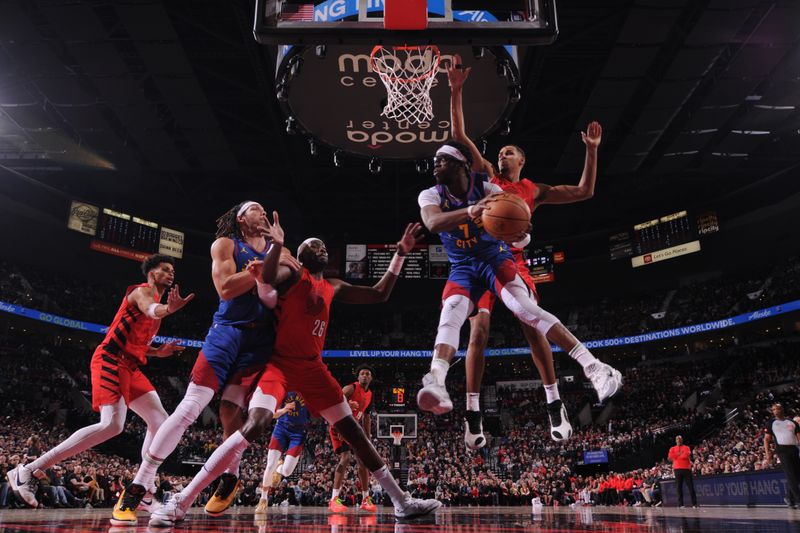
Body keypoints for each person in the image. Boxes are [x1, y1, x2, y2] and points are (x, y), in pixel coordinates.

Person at [146, 214, 440, 527]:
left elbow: (380, 293)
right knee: (256, 423)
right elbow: (270, 275)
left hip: (313, 369)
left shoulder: (333, 285)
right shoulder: (291, 271)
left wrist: (400, 254)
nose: (322, 248)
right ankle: (183, 499)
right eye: (315, 246)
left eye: (324, 246)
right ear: (301, 256)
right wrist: (277, 246)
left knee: (353, 431)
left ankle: (402, 501)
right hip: (280, 364)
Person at [446, 55, 621, 447]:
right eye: (502, 152)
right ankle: (472, 414)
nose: (503, 155)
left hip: (513, 260)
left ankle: (553, 402)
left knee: (532, 324)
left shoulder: (532, 191)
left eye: (510, 152)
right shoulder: (487, 174)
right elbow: (460, 136)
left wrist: (591, 150)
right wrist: (456, 91)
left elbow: (584, 191)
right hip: (480, 259)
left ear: (522, 161)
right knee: (479, 332)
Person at [415, 141, 622, 449]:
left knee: (526, 312)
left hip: (496, 259)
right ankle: (437, 381)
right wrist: (471, 211)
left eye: (441, 160)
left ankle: (594, 368)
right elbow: (432, 222)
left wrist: (520, 233)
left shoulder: (491, 188)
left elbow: (517, 226)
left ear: (459, 164)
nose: (434, 165)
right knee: (454, 312)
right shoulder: (432, 194)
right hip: (463, 267)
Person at [112, 201, 299, 525]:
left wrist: (272, 260)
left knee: (231, 411)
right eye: (257, 209)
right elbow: (226, 289)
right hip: (226, 332)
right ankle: (140, 483)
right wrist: (259, 269)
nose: (264, 213)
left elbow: (294, 269)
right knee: (190, 407)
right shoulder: (226, 244)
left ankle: (230, 476)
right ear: (241, 218)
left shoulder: (277, 244)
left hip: (260, 339)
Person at [7, 254, 192, 509]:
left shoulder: (157, 306)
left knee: (161, 422)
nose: (171, 273)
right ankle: (28, 469)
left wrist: (158, 352)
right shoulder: (142, 292)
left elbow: (138, 341)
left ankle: (144, 490)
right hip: (110, 359)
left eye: (173, 270)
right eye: (165, 269)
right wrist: (169, 309)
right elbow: (152, 309)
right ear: (152, 273)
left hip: (130, 365)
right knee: (112, 425)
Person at [329, 365, 377, 513]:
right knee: (346, 458)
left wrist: (367, 439)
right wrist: (347, 404)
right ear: (358, 377)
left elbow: (367, 418)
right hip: (339, 425)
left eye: (367, 374)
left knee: (363, 461)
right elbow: (334, 401)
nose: (364, 376)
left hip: (354, 428)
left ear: (371, 378)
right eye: (362, 373)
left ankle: (365, 499)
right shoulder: (351, 388)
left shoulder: (370, 394)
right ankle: (334, 499)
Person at [254, 391, 309, 513]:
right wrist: (284, 409)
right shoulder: (282, 389)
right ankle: (263, 499)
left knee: (287, 471)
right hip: (281, 429)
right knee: (269, 464)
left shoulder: (308, 388)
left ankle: (279, 467)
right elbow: (271, 415)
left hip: (298, 433)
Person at [764, 403, 800, 508]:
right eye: (774, 409)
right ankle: (798, 500)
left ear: (782, 409)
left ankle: (789, 497)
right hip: (782, 451)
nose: (776, 411)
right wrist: (768, 454)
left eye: (778, 409)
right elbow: (766, 440)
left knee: (796, 475)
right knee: (791, 474)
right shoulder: (771, 423)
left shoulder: (792, 422)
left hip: (794, 449)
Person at [667, 435, 697, 508]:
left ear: (682, 440)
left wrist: (676, 456)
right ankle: (681, 504)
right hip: (677, 469)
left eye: (679, 439)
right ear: (675, 441)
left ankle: (694, 504)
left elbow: (685, 456)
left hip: (686, 468)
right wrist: (679, 454)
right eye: (677, 439)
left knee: (690, 486)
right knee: (678, 487)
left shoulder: (686, 447)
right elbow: (670, 457)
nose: (678, 441)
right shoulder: (672, 448)